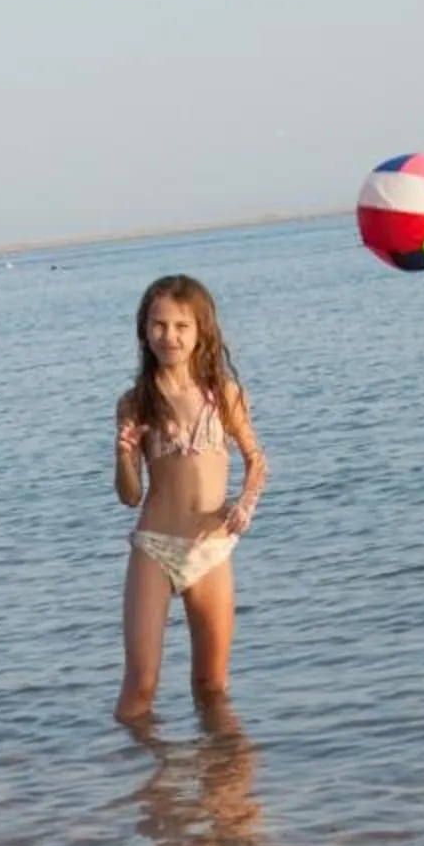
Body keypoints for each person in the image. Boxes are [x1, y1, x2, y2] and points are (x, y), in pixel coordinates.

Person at [114, 275, 267, 722]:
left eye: (181, 326)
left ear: (201, 330)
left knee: (212, 685)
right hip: (155, 549)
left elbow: (257, 460)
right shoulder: (135, 401)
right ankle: (143, 780)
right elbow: (130, 495)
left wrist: (245, 504)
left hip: (213, 549)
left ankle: (221, 784)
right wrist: (123, 456)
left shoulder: (225, 395)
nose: (170, 336)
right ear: (145, 330)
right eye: (159, 325)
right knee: (141, 686)